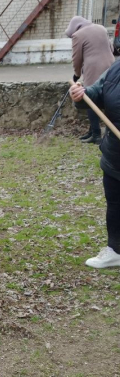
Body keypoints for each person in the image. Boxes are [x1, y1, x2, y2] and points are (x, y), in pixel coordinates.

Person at [70, 60, 120, 269]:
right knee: (115, 203)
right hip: (115, 155)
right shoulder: (116, 70)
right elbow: (95, 94)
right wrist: (81, 95)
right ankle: (115, 251)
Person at [65, 16, 114, 144]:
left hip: (93, 69)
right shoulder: (101, 28)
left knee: (89, 98)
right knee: (107, 97)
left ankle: (96, 135)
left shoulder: (78, 35)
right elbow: (112, 48)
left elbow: (76, 59)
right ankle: (92, 131)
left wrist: (76, 74)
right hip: (111, 67)